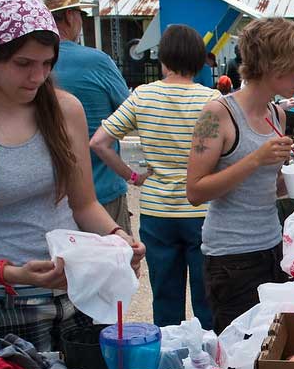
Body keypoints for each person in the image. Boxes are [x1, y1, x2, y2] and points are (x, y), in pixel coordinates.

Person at [0, 0, 145, 351]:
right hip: (3, 308)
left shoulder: (65, 110)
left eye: (47, 63)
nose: (37, 76)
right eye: (23, 64)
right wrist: (10, 272)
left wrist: (117, 235)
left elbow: (84, 205)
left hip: (78, 295)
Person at [186, 17, 294, 334]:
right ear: (273, 66)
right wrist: (256, 160)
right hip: (231, 258)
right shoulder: (216, 114)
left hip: (273, 247)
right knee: (238, 354)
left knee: (270, 347)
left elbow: (261, 188)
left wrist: (291, 185)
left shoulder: (277, 114)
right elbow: (195, 191)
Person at [91, 24, 220, 330]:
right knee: (207, 299)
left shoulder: (143, 96)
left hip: (156, 211)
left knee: (164, 298)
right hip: (201, 211)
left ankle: (169, 365)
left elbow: (98, 143)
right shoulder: (212, 100)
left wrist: (133, 175)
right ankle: (210, 365)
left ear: (163, 59)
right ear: (199, 61)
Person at [29, 0, 133, 234]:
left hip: (46, 199)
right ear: (69, 16)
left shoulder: (21, 66)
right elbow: (131, 112)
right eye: (80, 14)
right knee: (111, 267)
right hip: (102, 192)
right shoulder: (96, 61)